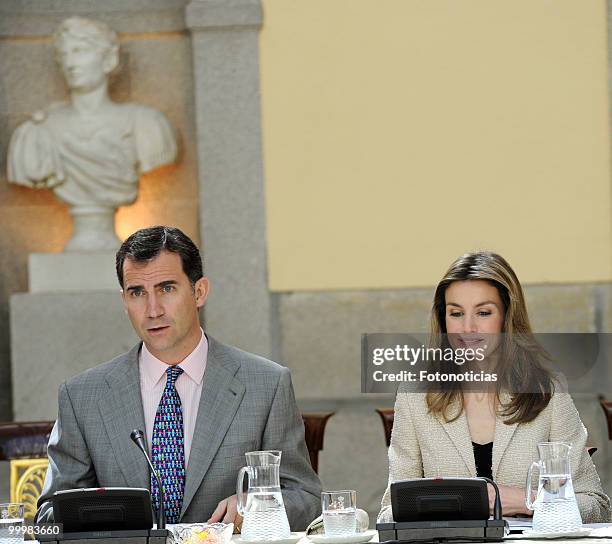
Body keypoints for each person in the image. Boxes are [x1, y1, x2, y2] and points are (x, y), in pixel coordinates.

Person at [37, 226, 322, 528]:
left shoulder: (266, 385)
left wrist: (257, 507)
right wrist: (105, 513)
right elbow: (50, 516)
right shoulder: (82, 397)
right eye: (137, 293)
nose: (153, 310)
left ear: (199, 292)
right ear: (124, 301)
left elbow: (305, 498)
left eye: (166, 288)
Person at [378, 251, 611, 523]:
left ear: (507, 317)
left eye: (483, 312)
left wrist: (528, 500)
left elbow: (596, 507)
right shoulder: (415, 394)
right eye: (455, 313)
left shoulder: (548, 390)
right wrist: (457, 503)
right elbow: (389, 513)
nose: (467, 327)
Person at [7, 17, 177, 251]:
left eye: (80, 51)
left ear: (109, 59)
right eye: (64, 55)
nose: (70, 63)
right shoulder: (37, 132)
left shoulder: (146, 124)